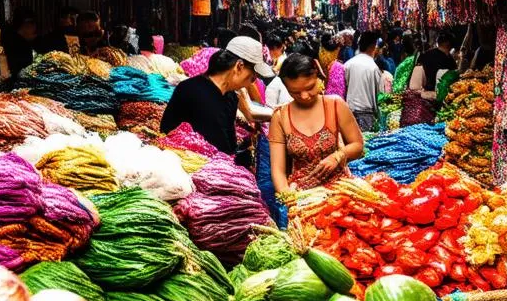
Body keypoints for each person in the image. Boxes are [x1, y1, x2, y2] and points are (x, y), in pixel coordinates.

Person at [161, 36, 274, 156]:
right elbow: (167, 132)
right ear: (239, 66)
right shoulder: (190, 90)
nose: (253, 82)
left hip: (220, 166)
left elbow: (228, 144)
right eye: (253, 76)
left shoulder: (231, 96)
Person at [269, 53, 365, 193]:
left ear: (318, 77)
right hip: (301, 195)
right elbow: (278, 170)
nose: (304, 96)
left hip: (339, 192)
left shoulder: (335, 105)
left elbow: (358, 145)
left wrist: (337, 156)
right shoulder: (280, 117)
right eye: (295, 92)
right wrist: (287, 196)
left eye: (309, 87)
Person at [344, 31, 383, 132]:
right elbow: (379, 94)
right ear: (373, 46)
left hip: (349, 112)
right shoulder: (373, 68)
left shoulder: (348, 64)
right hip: (367, 115)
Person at [2, 9, 38, 78]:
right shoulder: (20, 45)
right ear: (26, 25)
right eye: (33, 23)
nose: (35, 28)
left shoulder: (11, 38)